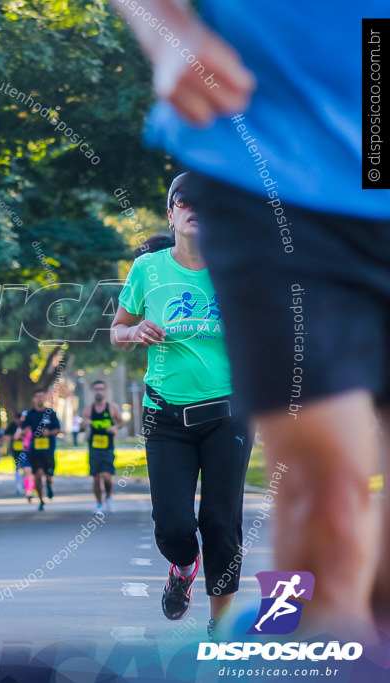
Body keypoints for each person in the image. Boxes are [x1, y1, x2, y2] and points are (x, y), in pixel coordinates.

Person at [109, 0, 390, 639]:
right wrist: (169, 34)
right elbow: (119, 327)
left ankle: (312, 640)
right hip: (272, 173)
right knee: (328, 493)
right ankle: (279, 638)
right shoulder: (151, 270)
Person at [111, 173, 253, 641]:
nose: (195, 209)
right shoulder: (148, 270)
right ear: (171, 213)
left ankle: (221, 623)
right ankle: (184, 567)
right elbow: (118, 330)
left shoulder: (235, 267)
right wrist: (134, 334)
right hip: (166, 415)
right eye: (183, 202)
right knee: (173, 525)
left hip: (228, 415)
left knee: (220, 521)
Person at [83, 380, 124, 514]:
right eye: (96, 389)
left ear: (105, 391)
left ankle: (109, 497)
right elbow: (81, 427)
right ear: (92, 391)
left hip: (108, 447)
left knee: (107, 477)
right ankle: (99, 505)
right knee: (96, 477)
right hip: (94, 448)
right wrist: (85, 424)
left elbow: (121, 422)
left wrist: (114, 427)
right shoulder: (88, 409)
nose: (98, 391)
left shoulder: (112, 408)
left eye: (101, 389)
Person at [18, 391, 61, 511]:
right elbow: (23, 429)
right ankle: (41, 500)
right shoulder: (30, 414)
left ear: (45, 398)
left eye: (41, 396)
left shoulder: (50, 413)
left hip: (48, 450)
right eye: (37, 396)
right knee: (37, 475)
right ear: (33, 399)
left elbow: (58, 429)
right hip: (34, 451)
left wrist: (49, 432)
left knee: (48, 476)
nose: (39, 399)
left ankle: (49, 486)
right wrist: (24, 432)